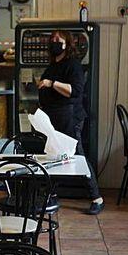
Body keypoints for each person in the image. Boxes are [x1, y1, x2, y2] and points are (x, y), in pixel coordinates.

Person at [37, 30, 104, 214]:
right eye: (51, 39)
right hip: (52, 117)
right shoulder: (52, 65)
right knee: (55, 156)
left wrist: (51, 84)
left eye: (58, 40)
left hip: (70, 116)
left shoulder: (73, 65)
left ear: (68, 44)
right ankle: (51, 194)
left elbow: (74, 90)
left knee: (78, 155)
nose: (54, 42)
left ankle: (96, 197)